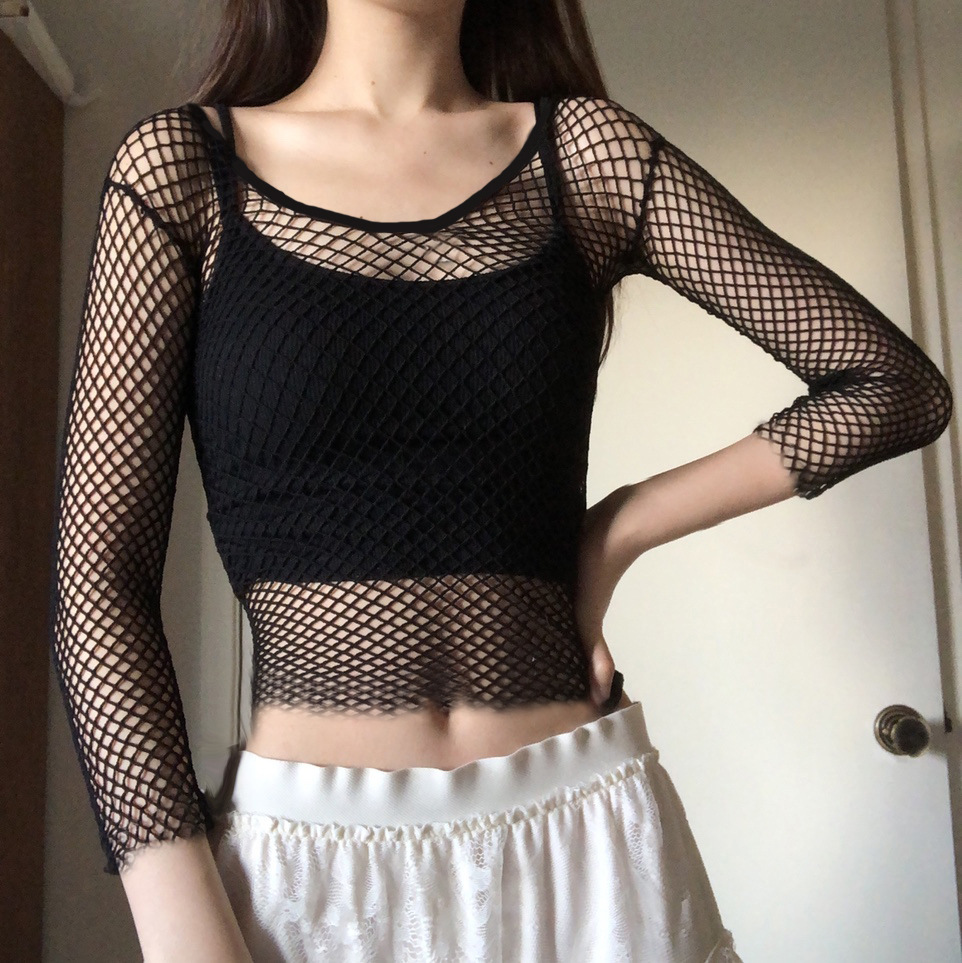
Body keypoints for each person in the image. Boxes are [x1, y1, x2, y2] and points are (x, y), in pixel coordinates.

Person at [48, 0, 953, 960]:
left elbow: (894, 387)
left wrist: (618, 528)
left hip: (589, 841)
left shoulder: (587, 155)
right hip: (307, 881)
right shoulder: (183, 171)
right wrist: (184, 931)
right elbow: (98, 580)